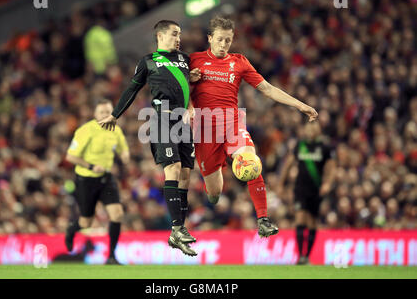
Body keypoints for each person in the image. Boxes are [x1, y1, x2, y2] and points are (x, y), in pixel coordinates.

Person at [189, 16, 318, 238]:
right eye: (219, 39)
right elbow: (177, 90)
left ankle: (263, 219)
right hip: (204, 132)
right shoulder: (194, 60)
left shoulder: (239, 62)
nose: (223, 45)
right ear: (210, 38)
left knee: (251, 162)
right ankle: (217, 175)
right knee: (214, 192)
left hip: (231, 124)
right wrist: (188, 81)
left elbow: (267, 88)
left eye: (228, 40)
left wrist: (300, 105)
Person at [98, 20, 201, 257]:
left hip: (183, 122)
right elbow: (132, 89)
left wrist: (192, 104)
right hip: (162, 120)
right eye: (175, 34)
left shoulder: (185, 59)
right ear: (161, 36)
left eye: (180, 34)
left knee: (186, 173)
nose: (179, 38)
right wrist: (115, 115)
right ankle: (176, 228)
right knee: (173, 168)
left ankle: (179, 229)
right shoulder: (148, 61)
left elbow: (185, 86)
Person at [64, 99, 130, 265]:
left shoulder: (116, 130)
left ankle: (111, 256)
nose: (106, 115)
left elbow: (123, 149)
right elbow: (70, 156)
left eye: (109, 112)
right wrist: (91, 166)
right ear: (95, 115)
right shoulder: (86, 131)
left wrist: (125, 156)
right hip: (86, 180)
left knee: (117, 214)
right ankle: (71, 230)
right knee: (86, 222)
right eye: (102, 112)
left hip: (106, 178)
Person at [277, 122, 336, 265]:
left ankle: (307, 256)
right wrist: (281, 183)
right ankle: (300, 255)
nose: (310, 130)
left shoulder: (324, 147)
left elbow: (331, 167)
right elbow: (288, 164)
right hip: (300, 188)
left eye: (313, 128)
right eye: (308, 128)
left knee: (312, 222)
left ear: (318, 130)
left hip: (315, 189)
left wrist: (327, 183)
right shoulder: (300, 145)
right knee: (300, 218)